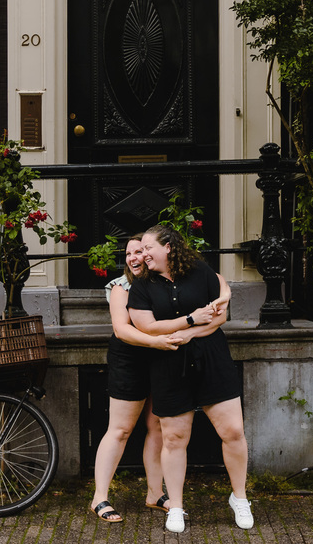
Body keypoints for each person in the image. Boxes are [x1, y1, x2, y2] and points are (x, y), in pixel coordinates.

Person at [127, 224, 250, 534]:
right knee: (173, 439)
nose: (142, 254)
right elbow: (147, 327)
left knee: (233, 431)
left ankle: (240, 498)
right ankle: (177, 506)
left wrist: (187, 333)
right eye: (139, 250)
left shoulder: (199, 271)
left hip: (212, 357)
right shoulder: (142, 285)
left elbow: (220, 315)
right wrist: (192, 320)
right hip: (168, 366)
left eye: (147, 248)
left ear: (168, 247)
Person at [89, 235, 184, 523]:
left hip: (160, 359)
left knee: (157, 426)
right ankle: (99, 498)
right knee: (120, 430)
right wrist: (156, 342)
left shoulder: (163, 284)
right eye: (129, 253)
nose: (133, 257)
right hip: (130, 360)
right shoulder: (121, 288)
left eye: (139, 251)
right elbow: (121, 330)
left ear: (151, 254)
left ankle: (155, 493)